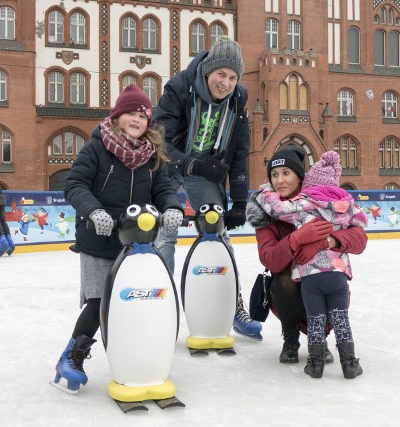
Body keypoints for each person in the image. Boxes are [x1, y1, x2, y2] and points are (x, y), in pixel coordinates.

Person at [52, 84, 184, 394]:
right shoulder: (97, 147)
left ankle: (139, 356)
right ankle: (72, 357)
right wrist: (94, 212)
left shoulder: (152, 155)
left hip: (136, 243)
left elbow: (164, 190)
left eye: (143, 115)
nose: (137, 119)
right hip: (98, 239)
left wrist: (173, 207)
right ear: (117, 116)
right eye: (131, 113)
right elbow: (75, 185)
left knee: (140, 299)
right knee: (99, 302)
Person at [152, 36, 262, 340]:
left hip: (206, 171)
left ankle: (234, 305)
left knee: (219, 234)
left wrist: (239, 202)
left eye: (232, 77)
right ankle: (160, 306)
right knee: (164, 234)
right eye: (220, 75)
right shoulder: (179, 87)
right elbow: (159, 141)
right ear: (207, 71)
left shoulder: (239, 100)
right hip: (168, 167)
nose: (225, 83)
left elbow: (240, 153)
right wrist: (193, 165)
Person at [245, 147, 368, 378]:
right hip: (289, 284)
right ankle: (291, 338)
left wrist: (329, 240)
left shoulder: (322, 200)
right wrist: (296, 239)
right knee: (284, 283)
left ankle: (320, 341)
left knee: (333, 285)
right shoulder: (267, 212)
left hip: (321, 277)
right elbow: (269, 258)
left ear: (299, 176)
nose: (280, 180)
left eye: (286, 173)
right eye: (274, 174)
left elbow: (360, 238)